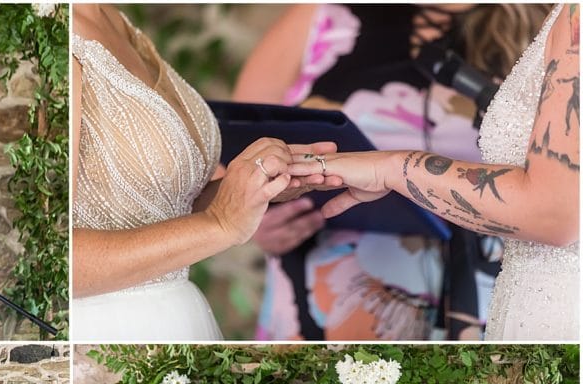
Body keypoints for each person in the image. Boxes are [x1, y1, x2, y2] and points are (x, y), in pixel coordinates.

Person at [235, 5, 550, 341]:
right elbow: (240, 149)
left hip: (488, 292)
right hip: (324, 290)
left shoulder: (555, 27)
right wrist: (256, 219)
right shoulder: (322, 14)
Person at [70, 4, 340, 341]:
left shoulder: (109, 15)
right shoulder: (59, 38)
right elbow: (59, 263)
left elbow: (161, 208)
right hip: (110, 327)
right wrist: (220, 225)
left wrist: (248, 188)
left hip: (177, 316)